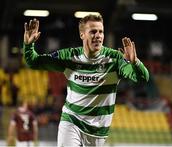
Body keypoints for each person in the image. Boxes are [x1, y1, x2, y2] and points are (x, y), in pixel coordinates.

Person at [23, 14, 149, 146]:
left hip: (98, 131)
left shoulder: (115, 59)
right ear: (82, 35)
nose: (98, 35)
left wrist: (135, 63)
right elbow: (34, 62)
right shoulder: (69, 57)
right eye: (93, 31)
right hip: (72, 121)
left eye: (101, 32)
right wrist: (28, 45)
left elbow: (142, 78)